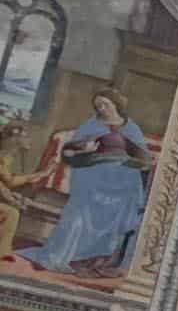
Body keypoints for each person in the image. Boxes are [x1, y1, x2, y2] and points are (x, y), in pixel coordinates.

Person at [22, 91, 151, 276]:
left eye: (105, 104)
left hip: (122, 183)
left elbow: (142, 157)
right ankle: (60, 257)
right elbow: (70, 151)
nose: (101, 108)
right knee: (77, 218)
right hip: (93, 178)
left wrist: (126, 159)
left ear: (116, 104)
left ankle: (98, 261)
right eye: (98, 105)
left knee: (119, 218)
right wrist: (86, 149)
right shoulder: (92, 125)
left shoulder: (131, 128)